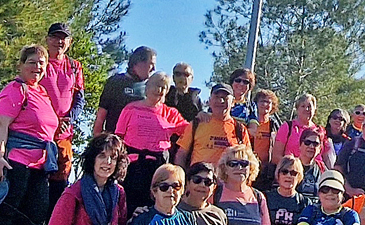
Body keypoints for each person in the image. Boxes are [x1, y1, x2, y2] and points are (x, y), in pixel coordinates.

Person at [0, 44, 61, 225]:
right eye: (32, 62)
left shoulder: (42, 93)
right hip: (16, 159)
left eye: (41, 64)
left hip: (40, 163)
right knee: (7, 209)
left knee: (36, 212)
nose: (37, 67)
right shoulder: (15, 90)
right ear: (21, 65)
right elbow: (1, 126)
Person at [114, 72, 190, 214]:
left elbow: (189, 131)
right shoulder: (131, 108)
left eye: (163, 87)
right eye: (156, 85)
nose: (159, 90)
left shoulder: (170, 113)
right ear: (147, 87)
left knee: (154, 208)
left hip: (158, 165)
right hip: (132, 166)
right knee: (127, 207)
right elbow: (118, 137)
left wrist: (203, 117)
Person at [38, 21, 86, 220]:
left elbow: (80, 98)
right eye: (55, 37)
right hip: (39, 133)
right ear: (48, 39)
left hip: (63, 135)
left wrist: (69, 119)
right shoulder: (39, 62)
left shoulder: (75, 67)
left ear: (69, 42)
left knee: (60, 184)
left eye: (63, 38)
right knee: (36, 183)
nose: (59, 41)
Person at [173, 82, 252, 171]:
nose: (220, 101)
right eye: (217, 97)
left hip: (228, 183)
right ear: (210, 101)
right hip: (200, 181)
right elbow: (181, 154)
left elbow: (248, 159)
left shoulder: (240, 129)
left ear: (233, 102)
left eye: (225, 98)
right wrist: (182, 178)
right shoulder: (197, 124)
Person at [95, 45, 156, 136]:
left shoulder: (150, 87)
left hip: (139, 144)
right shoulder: (115, 82)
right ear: (138, 62)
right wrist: (97, 142)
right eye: (151, 64)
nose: (153, 69)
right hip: (115, 142)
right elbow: (101, 116)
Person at [273, 93, 326, 169]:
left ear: (314, 109)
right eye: (303, 106)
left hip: (312, 174)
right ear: (297, 109)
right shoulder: (288, 127)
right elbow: (276, 157)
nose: (306, 109)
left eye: (309, 106)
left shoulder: (319, 131)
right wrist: (294, 167)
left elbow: (320, 157)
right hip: (290, 172)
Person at [248, 89, 280, 188]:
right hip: (249, 166)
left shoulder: (275, 125)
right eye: (262, 101)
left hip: (267, 170)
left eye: (269, 102)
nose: (265, 104)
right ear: (256, 103)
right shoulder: (249, 122)